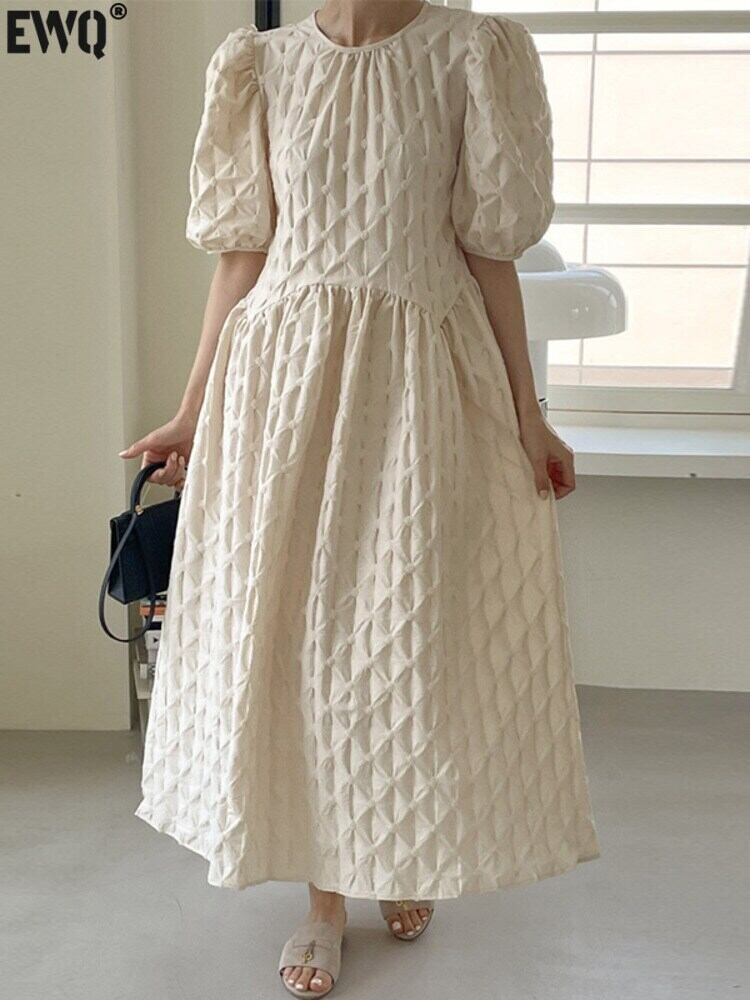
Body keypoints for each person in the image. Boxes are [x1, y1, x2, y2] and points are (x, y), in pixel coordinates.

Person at [119, 2, 600, 996]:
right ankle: (326, 901)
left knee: (405, 635)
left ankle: (398, 848)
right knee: (300, 641)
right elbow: (242, 255)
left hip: (422, 385)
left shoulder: (471, 52)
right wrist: (192, 411)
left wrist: (530, 413)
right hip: (284, 387)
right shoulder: (261, 66)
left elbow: (491, 252)